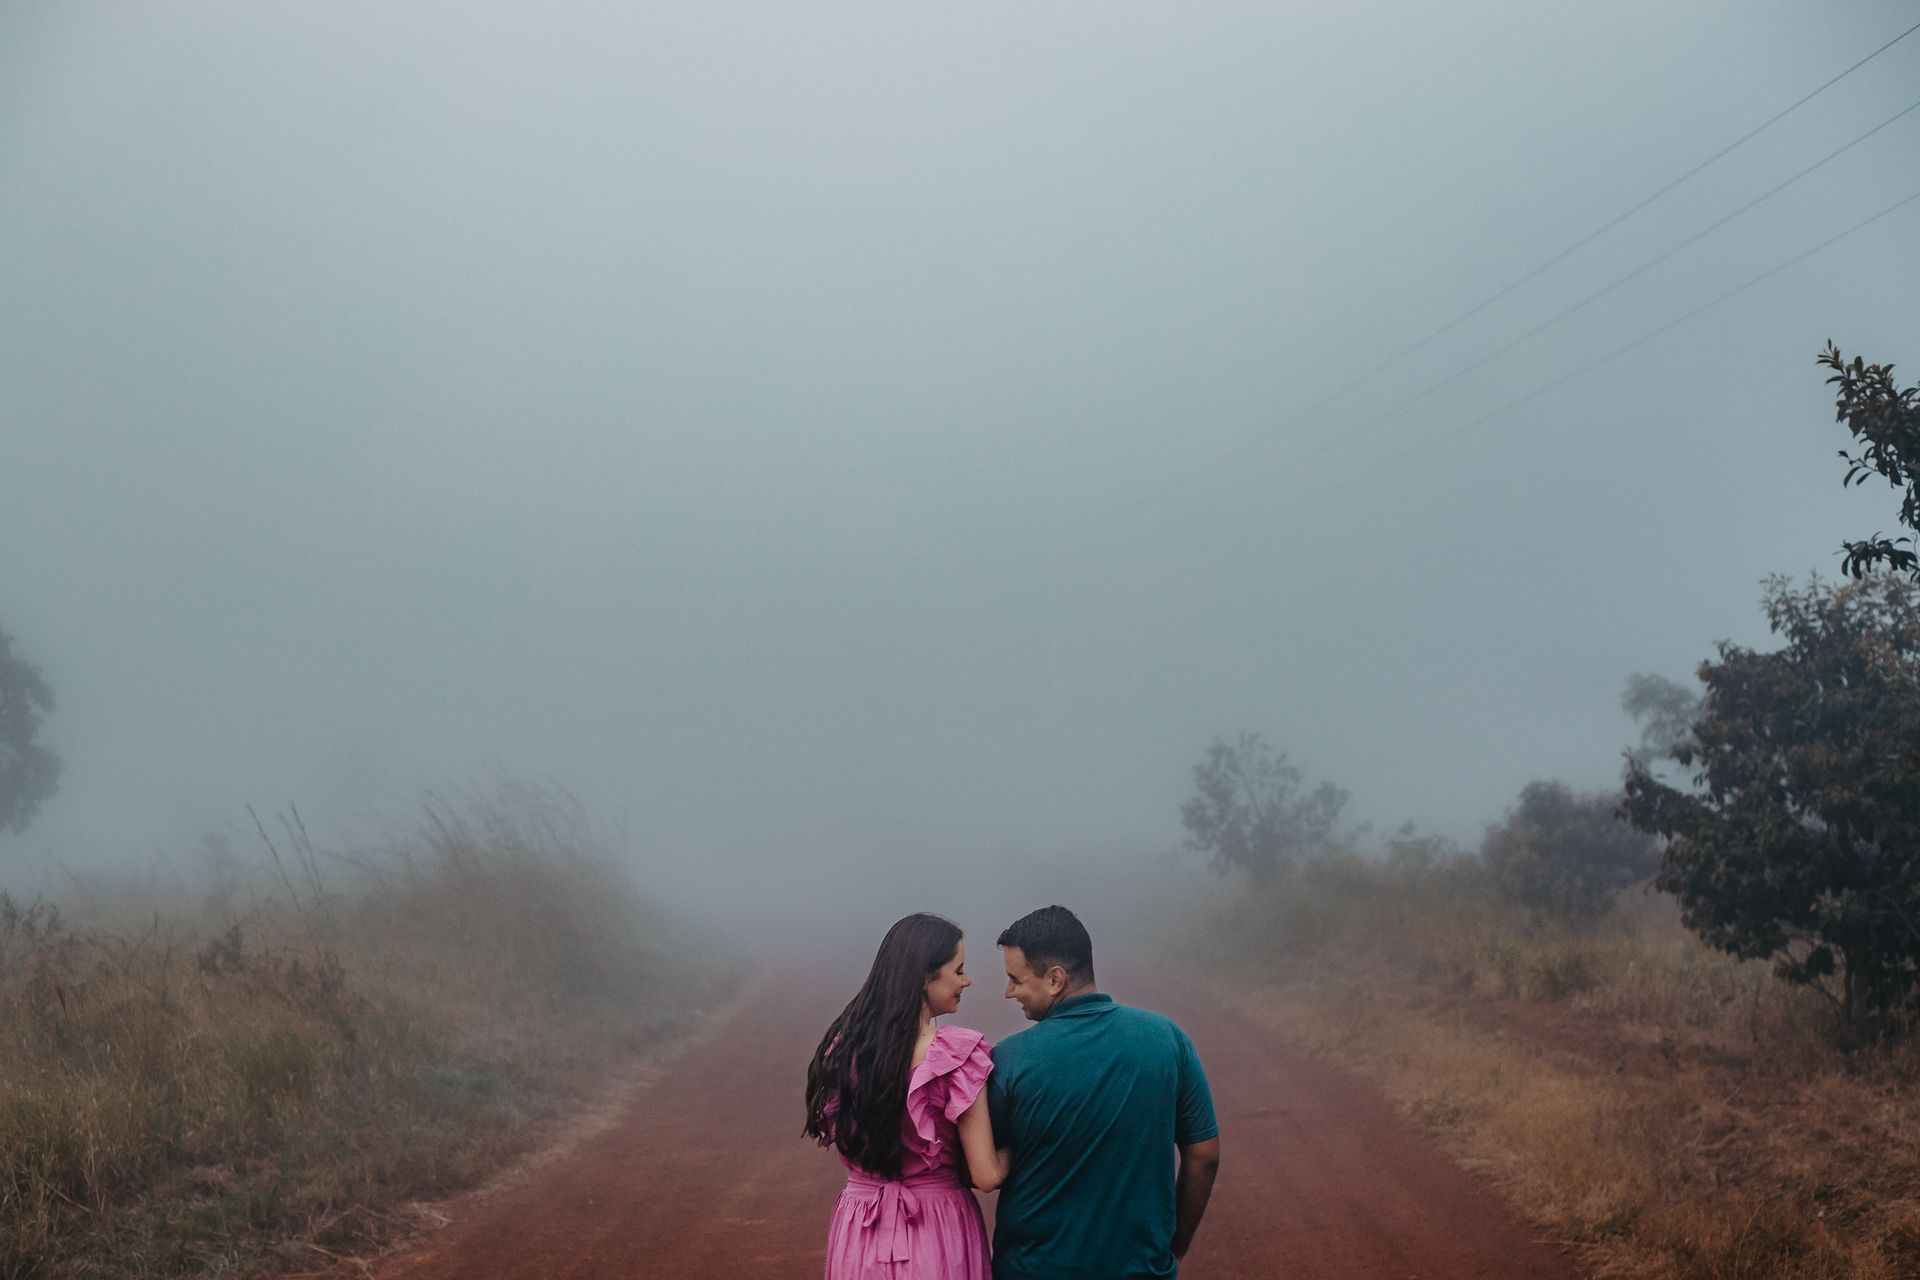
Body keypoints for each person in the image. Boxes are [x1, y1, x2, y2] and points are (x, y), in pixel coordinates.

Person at [988, 905, 1220, 1280]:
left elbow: (980, 1167)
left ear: (1055, 979)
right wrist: (1175, 1246)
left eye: (1016, 979)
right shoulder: (1167, 1038)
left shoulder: (1009, 1059)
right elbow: (1204, 1156)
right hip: (1141, 1269)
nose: (1008, 991)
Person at [805, 913, 1006, 1280]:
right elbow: (986, 1175)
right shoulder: (957, 1056)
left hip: (860, 1228)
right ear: (925, 977)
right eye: (959, 970)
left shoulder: (842, 1051)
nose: (966, 981)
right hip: (936, 1228)